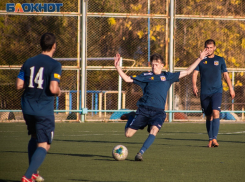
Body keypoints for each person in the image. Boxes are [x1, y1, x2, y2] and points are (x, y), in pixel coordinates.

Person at [114, 49, 209, 161]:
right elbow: (126, 79)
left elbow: (188, 71)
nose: (154, 67)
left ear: (162, 65)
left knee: (154, 131)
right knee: (128, 134)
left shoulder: (168, 76)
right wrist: (117, 67)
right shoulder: (146, 76)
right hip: (144, 110)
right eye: (153, 64)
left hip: (158, 112)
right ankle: (131, 116)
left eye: (157, 64)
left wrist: (200, 58)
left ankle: (140, 153)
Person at [16, 33, 62, 182]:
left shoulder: (28, 61)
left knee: (34, 137)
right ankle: (28, 176)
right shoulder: (55, 64)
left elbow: (19, 85)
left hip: (27, 108)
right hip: (43, 110)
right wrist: (59, 91)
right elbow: (54, 88)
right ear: (54, 45)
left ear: (41, 45)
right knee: (44, 145)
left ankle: (34, 172)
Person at [192, 39, 235, 148]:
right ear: (204, 48)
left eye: (211, 47)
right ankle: (210, 139)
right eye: (207, 47)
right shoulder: (201, 60)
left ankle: (214, 138)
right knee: (208, 116)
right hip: (204, 93)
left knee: (216, 112)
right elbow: (195, 73)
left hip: (217, 91)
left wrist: (231, 88)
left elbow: (225, 75)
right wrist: (194, 85)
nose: (209, 49)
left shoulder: (220, 60)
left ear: (214, 48)